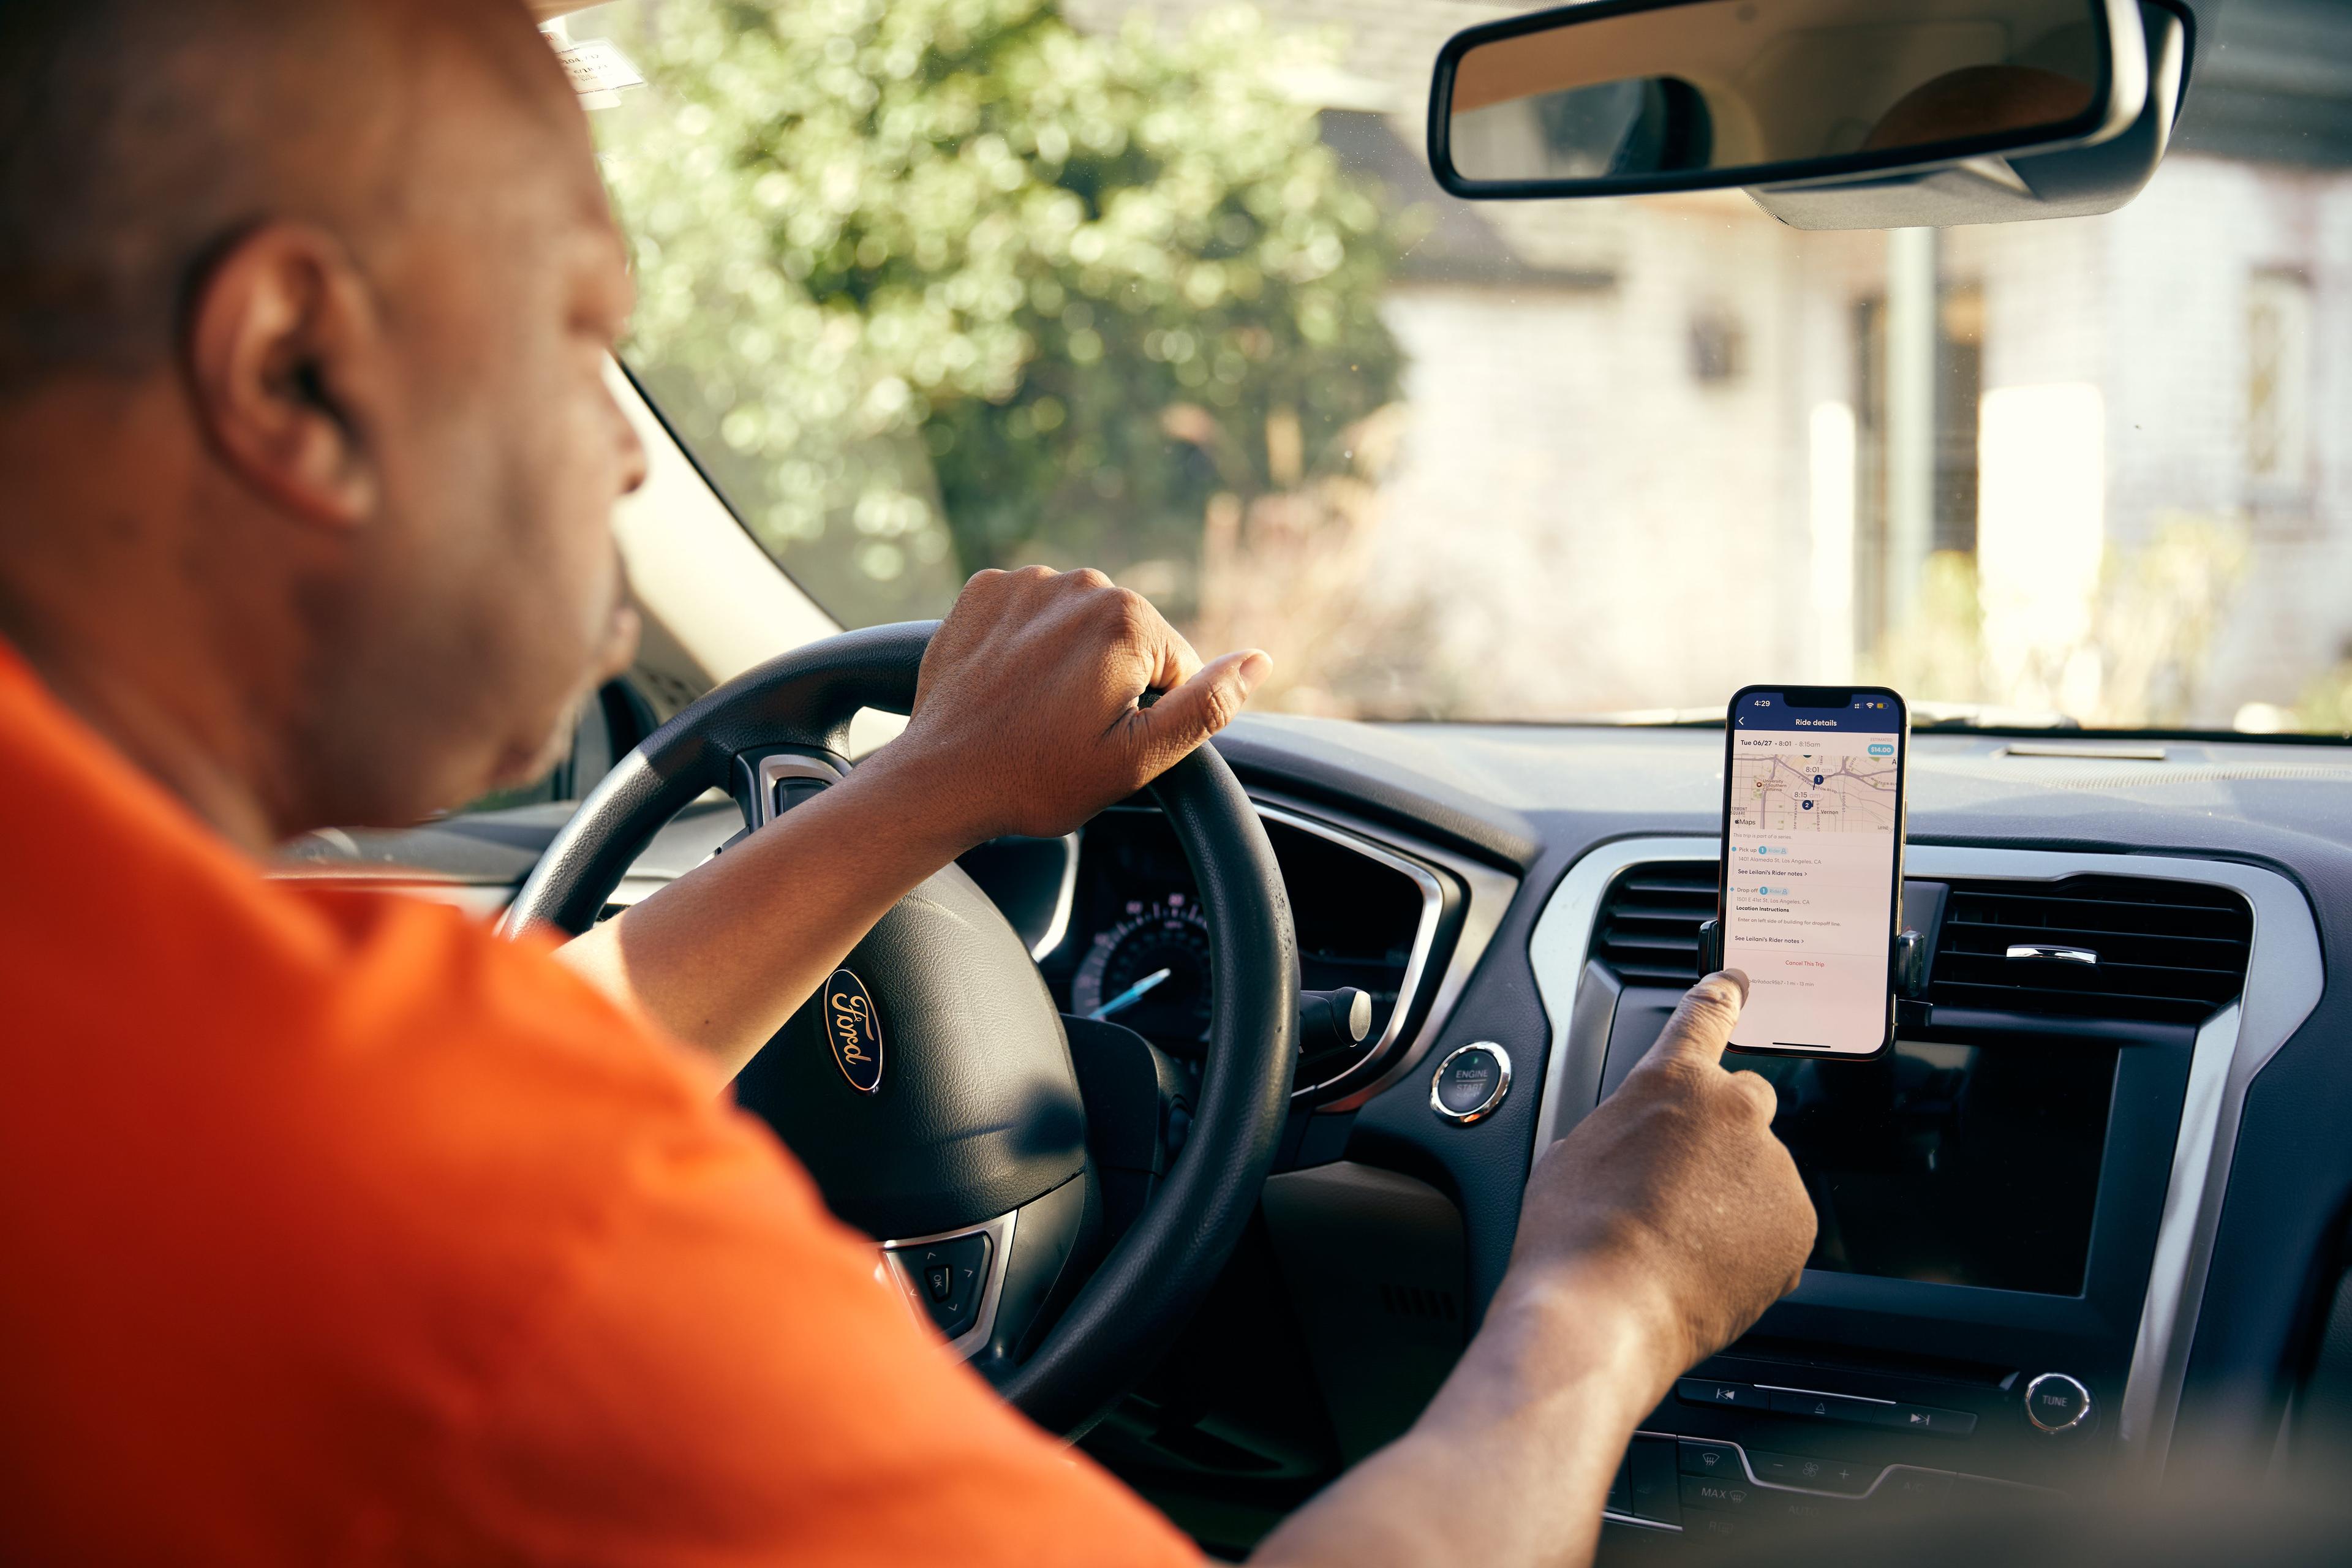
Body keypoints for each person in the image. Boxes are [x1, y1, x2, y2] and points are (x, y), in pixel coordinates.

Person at [0, 1, 1815, 1564]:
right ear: (292, 373)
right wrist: (1605, 1296)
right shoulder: (486, 1261)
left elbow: (483, 1072)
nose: (629, 449)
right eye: (571, 335)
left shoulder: (168, 1031)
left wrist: (925, 793)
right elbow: (450, 1178)